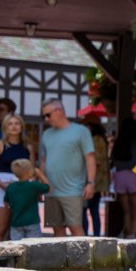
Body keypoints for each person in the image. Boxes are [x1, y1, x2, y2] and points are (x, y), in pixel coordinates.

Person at [38, 98, 96, 237]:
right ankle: (62, 259)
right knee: (57, 228)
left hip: (73, 189)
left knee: (75, 227)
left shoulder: (81, 131)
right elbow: (43, 161)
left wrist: (91, 183)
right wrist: (41, 184)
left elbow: (90, 158)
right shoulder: (46, 134)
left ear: (59, 111)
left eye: (48, 115)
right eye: (44, 116)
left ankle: (83, 259)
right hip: (51, 190)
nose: (46, 119)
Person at [0, 114, 38, 242]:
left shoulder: (28, 146)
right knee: (0, 229)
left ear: (22, 126)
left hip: (22, 189)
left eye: (17, 123)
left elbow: (32, 171)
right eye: (10, 123)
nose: (13, 126)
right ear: (5, 127)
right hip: (2, 187)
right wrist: (3, 185)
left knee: (16, 229)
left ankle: (12, 260)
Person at [111, 117, 136, 238]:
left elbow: (113, 161)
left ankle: (125, 231)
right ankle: (132, 233)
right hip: (134, 176)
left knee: (126, 211)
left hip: (119, 177)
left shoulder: (117, 143)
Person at [3, 159, 51, 240]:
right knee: (34, 246)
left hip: (16, 222)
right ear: (29, 172)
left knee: (17, 246)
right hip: (32, 221)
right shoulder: (33, 186)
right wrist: (40, 175)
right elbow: (48, 188)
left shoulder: (11, 187)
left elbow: (6, 203)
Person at [83, 115, 111, 236]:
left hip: (92, 179)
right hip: (99, 181)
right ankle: (96, 235)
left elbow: (95, 160)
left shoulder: (94, 140)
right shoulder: (102, 139)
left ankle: (86, 235)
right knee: (94, 211)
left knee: (84, 210)